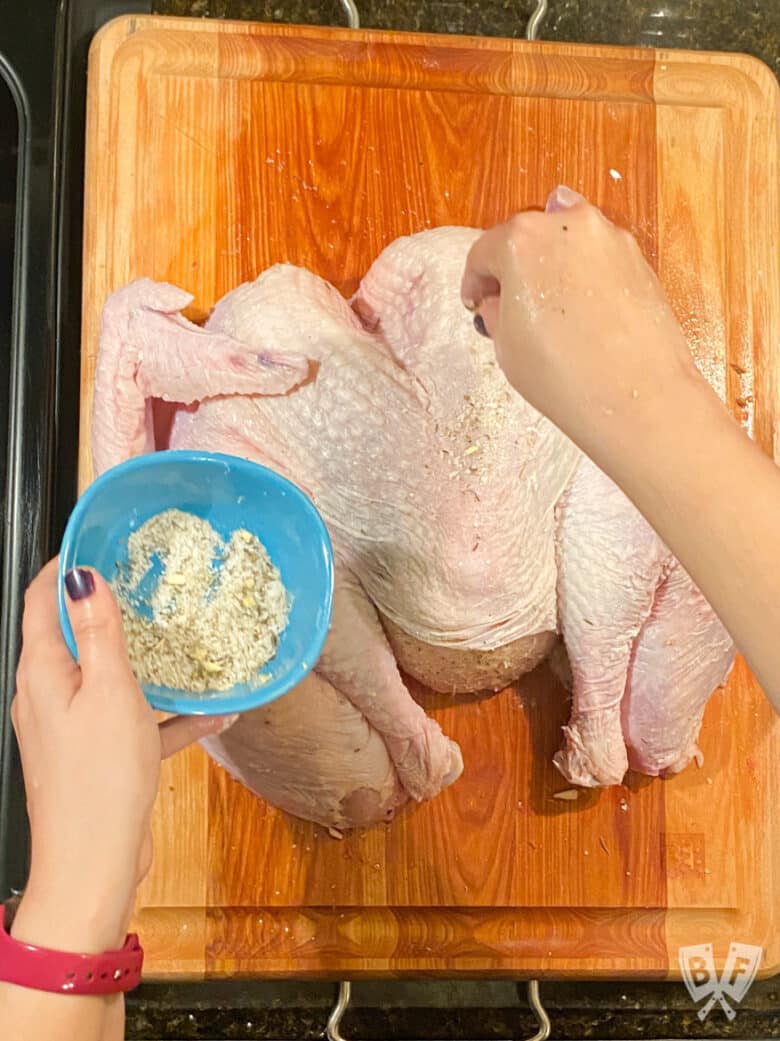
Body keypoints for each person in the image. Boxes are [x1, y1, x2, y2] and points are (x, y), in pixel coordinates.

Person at [1, 188, 778, 1040]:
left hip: (486, 426)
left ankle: (575, 704)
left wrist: (78, 892)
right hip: (366, 440)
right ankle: (538, 708)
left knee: (626, 721)